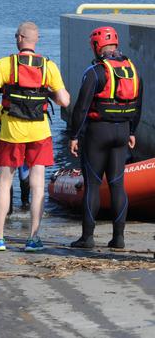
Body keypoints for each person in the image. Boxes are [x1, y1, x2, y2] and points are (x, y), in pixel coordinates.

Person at [0, 21, 70, 252]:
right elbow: (65, 101)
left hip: (12, 133)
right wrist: (47, 92)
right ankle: (33, 239)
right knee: (38, 185)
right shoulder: (49, 66)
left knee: (4, 183)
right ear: (36, 40)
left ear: (19, 38)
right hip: (40, 133)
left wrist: (3, 89)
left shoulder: (5, 63)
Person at [68, 26, 142, 249]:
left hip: (98, 133)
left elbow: (81, 108)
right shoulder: (132, 70)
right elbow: (138, 105)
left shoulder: (95, 71)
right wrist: (131, 132)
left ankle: (87, 238)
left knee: (92, 185)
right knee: (117, 184)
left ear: (96, 45)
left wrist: (74, 135)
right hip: (122, 132)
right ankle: (118, 238)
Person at [0, 103, 31, 212]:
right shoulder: (2, 106)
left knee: (19, 179)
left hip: (17, 147)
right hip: (12, 147)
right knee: (13, 180)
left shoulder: (3, 105)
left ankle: (23, 204)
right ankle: (11, 208)